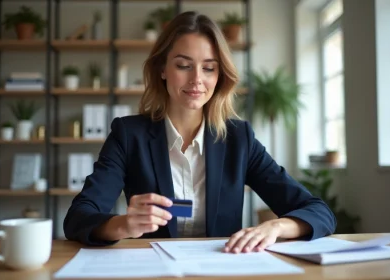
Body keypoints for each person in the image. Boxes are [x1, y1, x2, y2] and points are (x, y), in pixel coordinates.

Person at [63, 11, 336, 253]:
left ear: (220, 76)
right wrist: (122, 225)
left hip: (220, 271)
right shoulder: (128, 134)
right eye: (183, 65)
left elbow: (319, 212)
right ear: (162, 69)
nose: (197, 79)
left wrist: (276, 227)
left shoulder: (239, 138)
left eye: (209, 68)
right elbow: (78, 217)